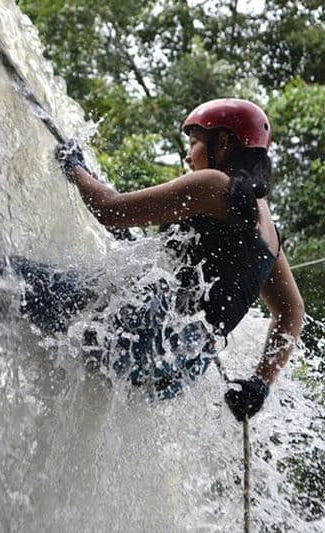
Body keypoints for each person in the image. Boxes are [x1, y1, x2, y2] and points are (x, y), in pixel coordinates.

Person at [50, 98, 305, 422]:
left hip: (145, 334)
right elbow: (293, 310)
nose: (188, 155)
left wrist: (74, 167)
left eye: (195, 143)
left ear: (223, 143)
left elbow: (110, 209)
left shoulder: (214, 185)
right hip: (176, 371)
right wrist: (260, 385)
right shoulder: (268, 230)